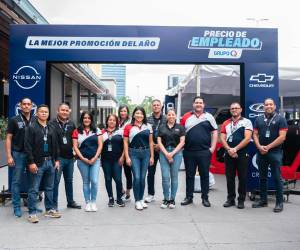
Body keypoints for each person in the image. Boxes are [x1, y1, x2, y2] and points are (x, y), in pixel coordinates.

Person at [25, 104, 61, 223]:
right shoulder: (32, 127)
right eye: (41, 112)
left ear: (48, 114)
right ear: (37, 113)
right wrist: (31, 162)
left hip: (50, 162)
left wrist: (56, 160)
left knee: (49, 188)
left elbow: (55, 145)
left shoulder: (51, 127)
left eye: (46, 112)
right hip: (37, 163)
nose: (44, 113)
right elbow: (28, 146)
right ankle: (32, 213)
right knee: (34, 189)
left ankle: (49, 210)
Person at [180, 96, 218, 207]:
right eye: (196, 102)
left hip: (204, 152)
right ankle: (189, 197)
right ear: (193, 104)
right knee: (189, 175)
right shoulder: (186, 117)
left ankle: (205, 198)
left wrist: (212, 148)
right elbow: (181, 133)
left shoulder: (209, 117)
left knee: (204, 175)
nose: (198, 104)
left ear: (203, 104)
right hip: (189, 151)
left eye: (200, 103)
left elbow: (215, 132)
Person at [252, 98, 288, 213]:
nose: (268, 106)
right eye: (266, 104)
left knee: (277, 178)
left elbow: (282, 137)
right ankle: (263, 200)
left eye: (270, 104)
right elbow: (255, 135)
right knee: (262, 178)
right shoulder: (258, 119)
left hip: (275, 152)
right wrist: (259, 147)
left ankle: (279, 202)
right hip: (261, 152)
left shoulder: (281, 119)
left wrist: (268, 147)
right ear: (264, 107)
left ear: (274, 106)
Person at [5, 97, 34, 217]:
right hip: (18, 154)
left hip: (32, 156)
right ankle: (16, 207)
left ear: (32, 106)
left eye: (28, 104)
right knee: (16, 181)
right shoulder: (14, 120)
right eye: (24, 104)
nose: (26, 106)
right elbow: (8, 138)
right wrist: (9, 156)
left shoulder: (35, 119)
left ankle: (32, 206)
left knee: (32, 181)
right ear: (20, 106)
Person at [220, 102, 253, 209]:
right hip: (228, 153)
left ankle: (241, 200)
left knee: (242, 178)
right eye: (232, 108)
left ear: (241, 110)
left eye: (236, 108)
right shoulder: (226, 123)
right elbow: (222, 138)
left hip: (242, 153)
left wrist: (235, 149)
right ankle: (230, 199)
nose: (234, 110)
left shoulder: (247, 122)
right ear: (230, 110)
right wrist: (229, 149)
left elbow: (247, 138)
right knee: (230, 178)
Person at [49, 103, 81, 211]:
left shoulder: (72, 124)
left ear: (69, 111)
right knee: (55, 182)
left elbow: (75, 139)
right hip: (58, 159)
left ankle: (70, 202)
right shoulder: (51, 124)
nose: (64, 112)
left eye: (66, 110)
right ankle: (54, 205)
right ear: (58, 111)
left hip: (69, 158)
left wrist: (76, 153)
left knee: (69, 181)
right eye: (62, 110)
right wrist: (55, 159)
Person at [123, 106, 154, 210]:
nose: (139, 115)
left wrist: (152, 156)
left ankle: (141, 199)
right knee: (136, 177)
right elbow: (125, 143)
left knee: (142, 177)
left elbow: (150, 142)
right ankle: (137, 200)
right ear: (133, 115)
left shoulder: (148, 126)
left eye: (141, 113)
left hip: (146, 153)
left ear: (144, 115)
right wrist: (127, 157)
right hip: (134, 153)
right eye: (137, 113)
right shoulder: (128, 126)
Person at [72, 111, 102, 212]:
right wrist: (82, 158)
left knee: (94, 181)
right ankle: (87, 202)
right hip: (82, 161)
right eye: (85, 118)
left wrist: (95, 157)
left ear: (91, 119)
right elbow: (75, 147)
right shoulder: (77, 131)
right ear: (82, 119)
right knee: (86, 182)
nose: (87, 120)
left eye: (89, 118)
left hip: (95, 160)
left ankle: (93, 202)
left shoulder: (97, 130)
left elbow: (100, 145)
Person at [157, 108, 185, 209]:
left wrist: (172, 153)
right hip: (163, 152)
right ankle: (166, 199)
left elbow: (182, 142)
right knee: (165, 177)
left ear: (175, 116)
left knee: (174, 177)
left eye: (173, 115)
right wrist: (167, 154)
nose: (171, 116)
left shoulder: (180, 127)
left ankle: (172, 199)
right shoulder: (161, 127)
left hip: (177, 153)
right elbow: (159, 142)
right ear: (166, 116)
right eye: (169, 115)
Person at [145, 99, 166, 203]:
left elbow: (170, 134)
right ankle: (151, 194)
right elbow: (145, 134)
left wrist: (160, 145)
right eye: (154, 105)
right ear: (152, 107)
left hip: (164, 149)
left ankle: (166, 195)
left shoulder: (167, 118)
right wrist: (153, 145)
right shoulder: (147, 119)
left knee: (165, 173)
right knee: (151, 173)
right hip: (151, 150)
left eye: (158, 105)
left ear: (161, 106)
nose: (156, 106)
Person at [101, 114, 125, 207]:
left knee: (118, 179)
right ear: (107, 121)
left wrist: (122, 157)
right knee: (108, 179)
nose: (112, 121)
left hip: (117, 159)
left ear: (116, 122)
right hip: (105, 160)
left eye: (114, 120)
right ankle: (110, 198)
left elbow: (125, 146)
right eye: (110, 120)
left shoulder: (120, 132)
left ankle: (119, 198)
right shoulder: (102, 132)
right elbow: (99, 146)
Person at [118, 105, 132, 201]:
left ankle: (128, 192)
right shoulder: (117, 122)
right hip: (117, 149)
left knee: (127, 172)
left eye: (125, 111)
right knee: (117, 173)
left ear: (127, 112)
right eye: (121, 111)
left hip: (127, 150)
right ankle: (121, 190)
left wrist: (124, 155)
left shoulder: (130, 123)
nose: (123, 113)